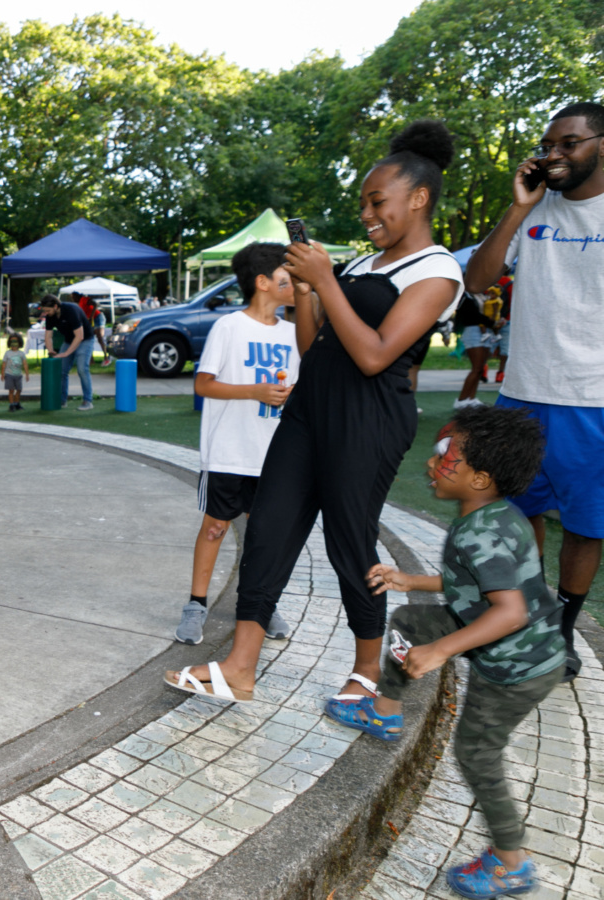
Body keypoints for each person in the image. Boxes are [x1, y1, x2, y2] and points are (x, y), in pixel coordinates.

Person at [166, 121, 463, 706]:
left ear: (419, 197)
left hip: (369, 419)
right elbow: (311, 347)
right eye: (363, 204)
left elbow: (375, 356)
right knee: (268, 530)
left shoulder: (436, 271)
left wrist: (326, 281)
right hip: (308, 411)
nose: (367, 214)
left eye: (377, 201)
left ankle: (368, 669)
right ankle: (240, 667)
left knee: (349, 542)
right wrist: (307, 290)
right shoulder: (360, 266)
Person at [360, 406, 562, 899]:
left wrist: (440, 651)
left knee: (476, 754)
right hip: (512, 640)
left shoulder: (479, 531)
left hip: (515, 665)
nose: (433, 463)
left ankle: (512, 864)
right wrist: (411, 580)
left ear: (479, 479)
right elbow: (475, 583)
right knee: (411, 620)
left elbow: (510, 611)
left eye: (445, 456)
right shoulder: (500, 515)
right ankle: (385, 711)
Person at [466, 101, 604, 682]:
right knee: (518, 516)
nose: (554, 154)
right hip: (523, 392)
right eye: (548, 145)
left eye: (568, 143)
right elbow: (477, 281)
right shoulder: (534, 209)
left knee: (587, 525)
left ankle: (563, 630)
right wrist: (518, 207)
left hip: (593, 399)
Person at [176, 242, 299, 646]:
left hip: (274, 457)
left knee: (264, 536)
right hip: (229, 453)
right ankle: (196, 605)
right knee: (215, 528)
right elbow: (203, 384)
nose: (294, 285)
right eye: (286, 278)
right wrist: (255, 391)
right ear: (263, 282)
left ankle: (260, 604)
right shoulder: (228, 327)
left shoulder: (295, 333)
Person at [38, 294, 94, 410]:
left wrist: (66, 353)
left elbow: (80, 336)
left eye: (48, 310)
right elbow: (48, 336)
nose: (46, 313)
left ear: (55, 306)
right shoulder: (50, 316)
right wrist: (51, 350)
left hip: (85, 340)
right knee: (62, 370)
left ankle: (87, 401)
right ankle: (62, 400)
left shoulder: (71, 310)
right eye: (45, 311)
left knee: (82, 369)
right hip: (69, 340)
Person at [452, 289, 500, 409]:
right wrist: (491, 322)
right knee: (476, 367)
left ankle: (471, 398)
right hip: (472, 331)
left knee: (480, 369)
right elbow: (471, 316)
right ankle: (461, 400)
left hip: (486, 331)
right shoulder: (466, 297)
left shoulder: (483, 296)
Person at [1, 332, 28, 411]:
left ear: (19, 343)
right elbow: (4, 364)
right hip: (9, 375)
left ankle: (17, 403)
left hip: (18, 375)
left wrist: (27, 374)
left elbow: (25, 364)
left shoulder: (21, 354)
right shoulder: (7, 353)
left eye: (16, 342)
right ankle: (11, 405)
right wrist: (2, 374)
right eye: (12, 342)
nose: (14, 344)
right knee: (11, 390)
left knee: (19, 390)